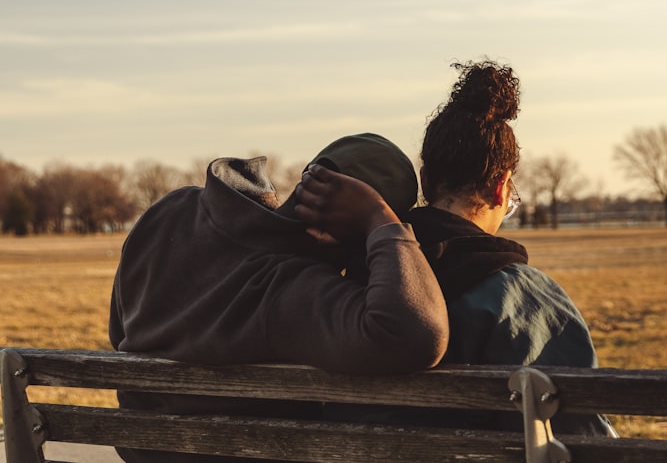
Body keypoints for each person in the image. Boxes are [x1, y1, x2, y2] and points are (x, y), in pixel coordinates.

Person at [109, 133, 449, 463]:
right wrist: (379, 218)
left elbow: (119, 333)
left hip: (141, 450)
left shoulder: (170, 213)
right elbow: (418, 333)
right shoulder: (292, 289)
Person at [326, 61, 616, 436]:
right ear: (501, 187)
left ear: (426, 181)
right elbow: (582, 433)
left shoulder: (350, 278)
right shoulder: (528, 300)